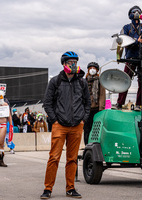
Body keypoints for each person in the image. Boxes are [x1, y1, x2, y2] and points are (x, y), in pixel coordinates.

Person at [41, 51, 91, 199]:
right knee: (54, 157)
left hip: (77, 125)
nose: (73, 64)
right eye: (70, 62)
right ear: (64, 64)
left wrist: (83, 119)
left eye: (75, 62)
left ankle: (71, 188)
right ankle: (47, 189)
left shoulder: (82, 82)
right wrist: (55, 120)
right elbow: (47, 103)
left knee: (72, 159)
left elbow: (87, 103)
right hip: (59, 125)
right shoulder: (55, 81)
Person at [115, 5, 142, 111]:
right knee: (125, 79)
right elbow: (123, 40)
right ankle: (119, 103)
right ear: (130, 15)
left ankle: (138, 104)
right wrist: (137, 41)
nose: (137, 13)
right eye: (134, 12)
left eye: (138, 12)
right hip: (131, 57)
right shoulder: (126, 27)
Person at [83, 62, 106, 145]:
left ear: (97, 70)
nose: (92, 69)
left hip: (96, 109)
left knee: (96, 129)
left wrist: (101, 109)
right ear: (88, 70)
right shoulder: (84, 81)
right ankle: (86, 145)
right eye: (90, 68)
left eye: (94, 68)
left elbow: (102, 95)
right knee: (86, 129)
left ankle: (95, 145)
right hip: (86, 110)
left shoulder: (100, 81)